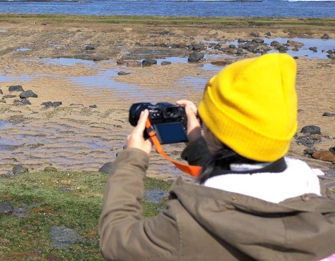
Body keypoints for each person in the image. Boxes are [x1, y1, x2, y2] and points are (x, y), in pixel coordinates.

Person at [99, 53, 335, 261]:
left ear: (212, 129)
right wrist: (200, 145)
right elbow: (244, 183)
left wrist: (133, 159)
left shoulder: (186, 225)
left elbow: (117, 241)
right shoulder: (321, 204)